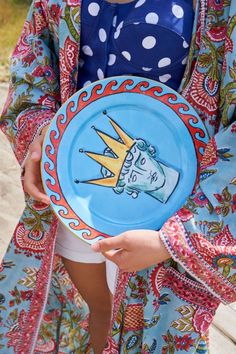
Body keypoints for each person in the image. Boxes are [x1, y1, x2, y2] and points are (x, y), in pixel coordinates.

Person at [0, 0, 235, 353]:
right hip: (77, 200)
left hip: (175, 213)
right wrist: (39, 132)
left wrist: (173, 240)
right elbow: (32, 67)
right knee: (101, 313)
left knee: (160, 335)